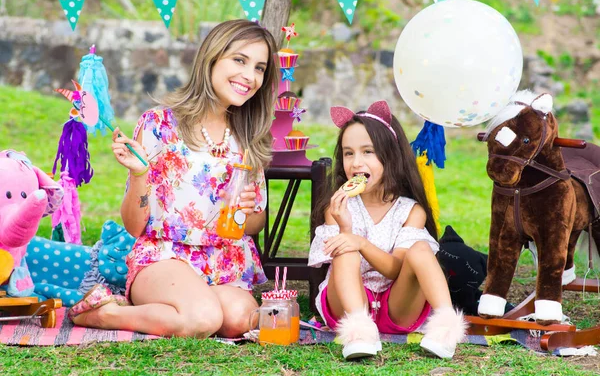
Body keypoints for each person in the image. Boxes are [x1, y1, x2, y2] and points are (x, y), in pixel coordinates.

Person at [68, 19, 279, 338]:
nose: (249, 76)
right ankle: (105, 314)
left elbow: (255, 222)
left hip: (224, 262)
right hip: (164, 256)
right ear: (212, 57)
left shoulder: (248, 136)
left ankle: (166, 308)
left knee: (239, 321)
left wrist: (248, 214)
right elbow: (135, 227)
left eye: (260, 68)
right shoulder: (160, 125)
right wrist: (139, 175)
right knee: (203, 319)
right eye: (239, 60)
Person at [308, 100, 467, 360]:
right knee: (344, 246)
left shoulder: (410, 211)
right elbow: (338, 262)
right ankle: (359, 335)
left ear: (390, 156)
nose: (356, 163)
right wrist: (347, 230)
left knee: (420, 249)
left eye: (367, 152)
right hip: (347, 307)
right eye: (348, 153)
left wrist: (362, 243)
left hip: (397, 306)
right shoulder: (338, 207)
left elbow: (395, 269)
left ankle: (445, 328)